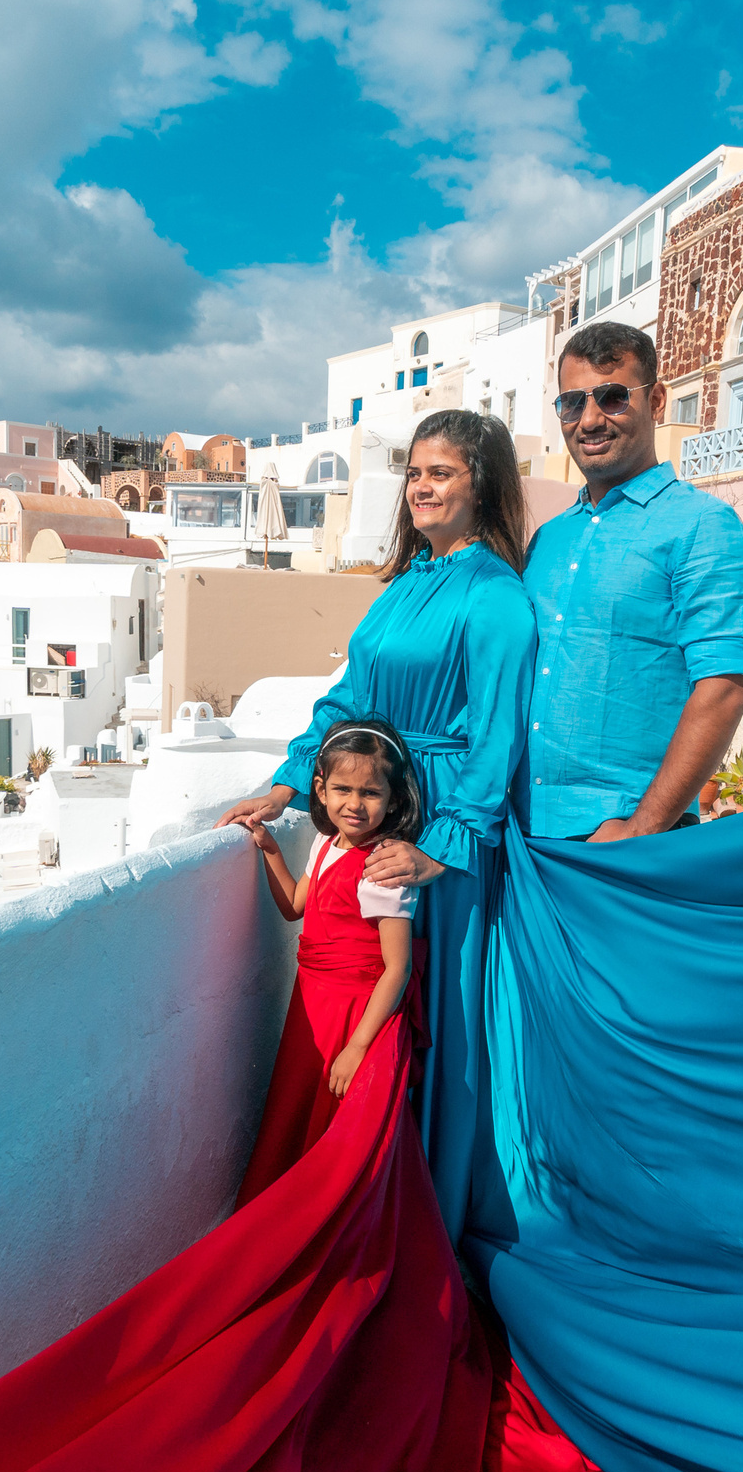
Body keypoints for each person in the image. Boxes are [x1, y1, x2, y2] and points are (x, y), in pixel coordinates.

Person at [218, 408, 536, 1239]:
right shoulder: (402, 588)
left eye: (444, 472)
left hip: (433, 837)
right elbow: (347, 706)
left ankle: (415, 1213)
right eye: (416, 472)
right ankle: (353, 1195)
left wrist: (441, 852)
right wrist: (290, 786)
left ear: (484, 484)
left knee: (425, 1024)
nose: (423, 487)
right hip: (372, 809)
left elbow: (497, 737)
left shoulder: (497, 597)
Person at [527, 321, 743, 842]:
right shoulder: (547, 540)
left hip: (617, 843)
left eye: (612, 397)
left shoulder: (704, 526)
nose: (589, 419)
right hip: (520, 836)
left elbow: (726, 686)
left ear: (655, 400)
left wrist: (642, 831)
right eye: (571, 403)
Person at [238, 719, 421, 1201]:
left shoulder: (384, 868)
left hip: (354, 1015)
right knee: (299, 1107)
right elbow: (296, 906)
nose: (354, 805)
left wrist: (359, 1046)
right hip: (311, 1007)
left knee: (337, 1127)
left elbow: (397, 969)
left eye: (370, 792)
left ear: (394, 798)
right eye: (342, 789)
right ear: (319, 789)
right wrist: (271, 850)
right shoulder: (325, 843)